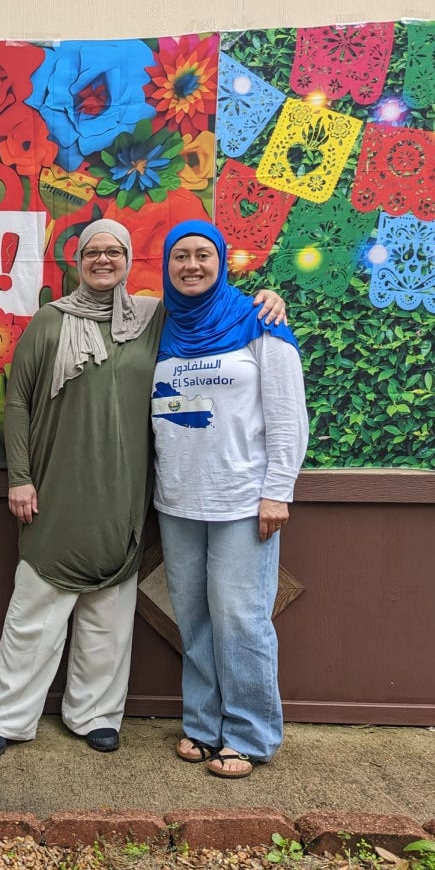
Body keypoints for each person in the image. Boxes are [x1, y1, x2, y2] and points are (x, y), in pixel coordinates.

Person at [0, 220, 286, 759]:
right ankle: (7, 715)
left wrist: (267, 298)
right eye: (92, 251)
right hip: (58, 490)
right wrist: (19, 477)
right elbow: (18, 402)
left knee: (110, 616)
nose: (102, 260)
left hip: (127, 494)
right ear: (76, 260)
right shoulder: (50, 323)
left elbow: (209, 307)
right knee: (36, 608)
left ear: (128, 259)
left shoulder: (152, 319)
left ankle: (95, 714)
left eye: (114, 251)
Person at [152, 219, 307, 780]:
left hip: (244, 500)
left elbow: (288, 414)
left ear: (221, 262)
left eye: (203, 256)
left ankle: (249, 733)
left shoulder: (258, 320)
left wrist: (277, 492)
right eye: (180, 257)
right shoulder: (159, 325)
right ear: (167, 266)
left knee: (241, 619)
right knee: (193, 619)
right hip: (177, 499)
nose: (191, 266)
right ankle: (203, 724)